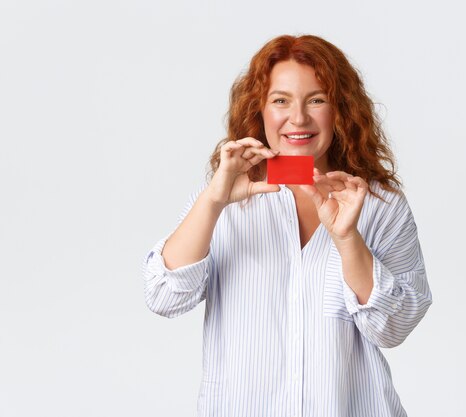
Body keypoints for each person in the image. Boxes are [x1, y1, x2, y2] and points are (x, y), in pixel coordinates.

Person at [142, 34, 432, 417]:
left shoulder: (381, 204)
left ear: (340, 109)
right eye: (280, 100)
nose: (298, 118)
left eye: (317, 99)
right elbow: (164, 297)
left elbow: (393, 328)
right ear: (259, 110)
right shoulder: (223, 197)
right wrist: (213, 201)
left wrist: (346, 239)